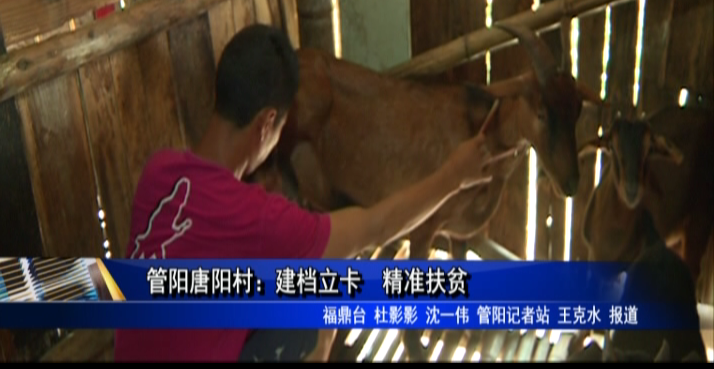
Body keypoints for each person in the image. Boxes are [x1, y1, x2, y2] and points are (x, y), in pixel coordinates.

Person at [113, 24, 494, 362]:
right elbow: (375, 227)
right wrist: (454, 176)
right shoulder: (256, 218)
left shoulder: (158, 171)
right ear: (266, 125)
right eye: (280, 127)